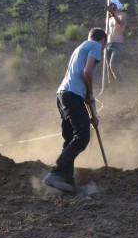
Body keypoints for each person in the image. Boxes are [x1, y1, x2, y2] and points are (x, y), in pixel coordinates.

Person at [43, 28, 107, 193]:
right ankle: (56, 172)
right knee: (82, 137)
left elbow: (84, 93)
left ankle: (67, 181)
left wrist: (93, 115)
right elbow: (87, 72)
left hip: (62, 95)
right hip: (72, 95)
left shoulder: (80, 48)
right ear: (103, 42)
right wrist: (91, 93)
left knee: (70, 138)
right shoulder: (95, 46)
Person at [105, 0, 127, 83]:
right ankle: (112, 87)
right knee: (108, 67)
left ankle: (120, 83)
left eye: (111, 4)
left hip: (118, 43)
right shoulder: (109, 18)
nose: (110, 6)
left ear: (115, 5)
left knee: (113, 65)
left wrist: (113, 13)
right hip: (108, 43)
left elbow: (120, 23)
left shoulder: (123, 15)